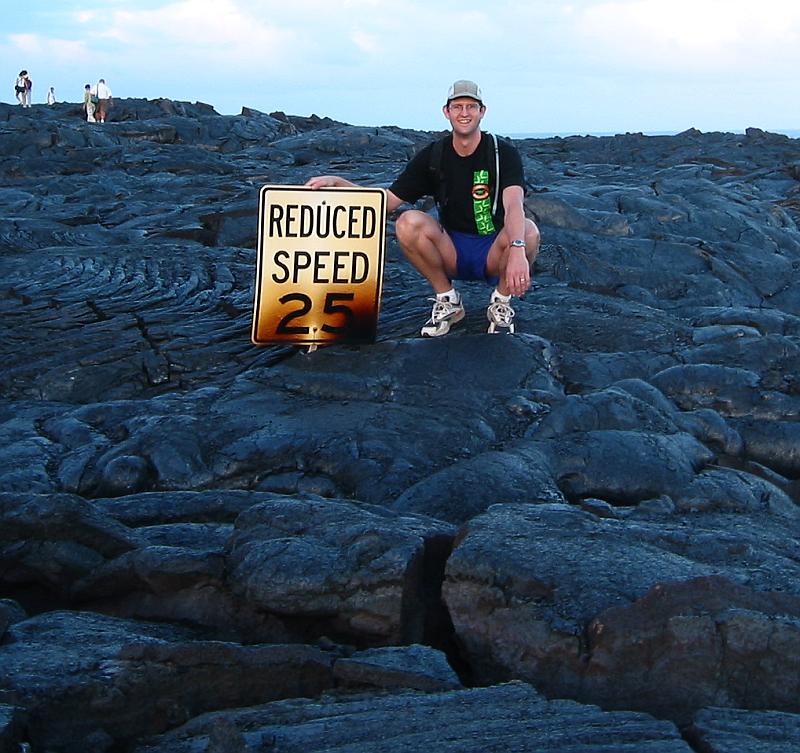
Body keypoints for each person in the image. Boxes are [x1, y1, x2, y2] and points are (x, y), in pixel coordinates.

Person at [306, 80, 539, 336]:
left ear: (482, 112)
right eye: (457, 106)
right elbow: (387, 202)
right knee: (408, 222)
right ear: (446, 112)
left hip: (493, 249)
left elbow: (513, 204)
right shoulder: (434, 155)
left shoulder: (501, 153)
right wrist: (339, 183)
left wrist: (517, 249)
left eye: (471, 106)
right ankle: (448, 300)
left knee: (528, 231)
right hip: (451, 249)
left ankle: (501, 303)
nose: (464, 113)